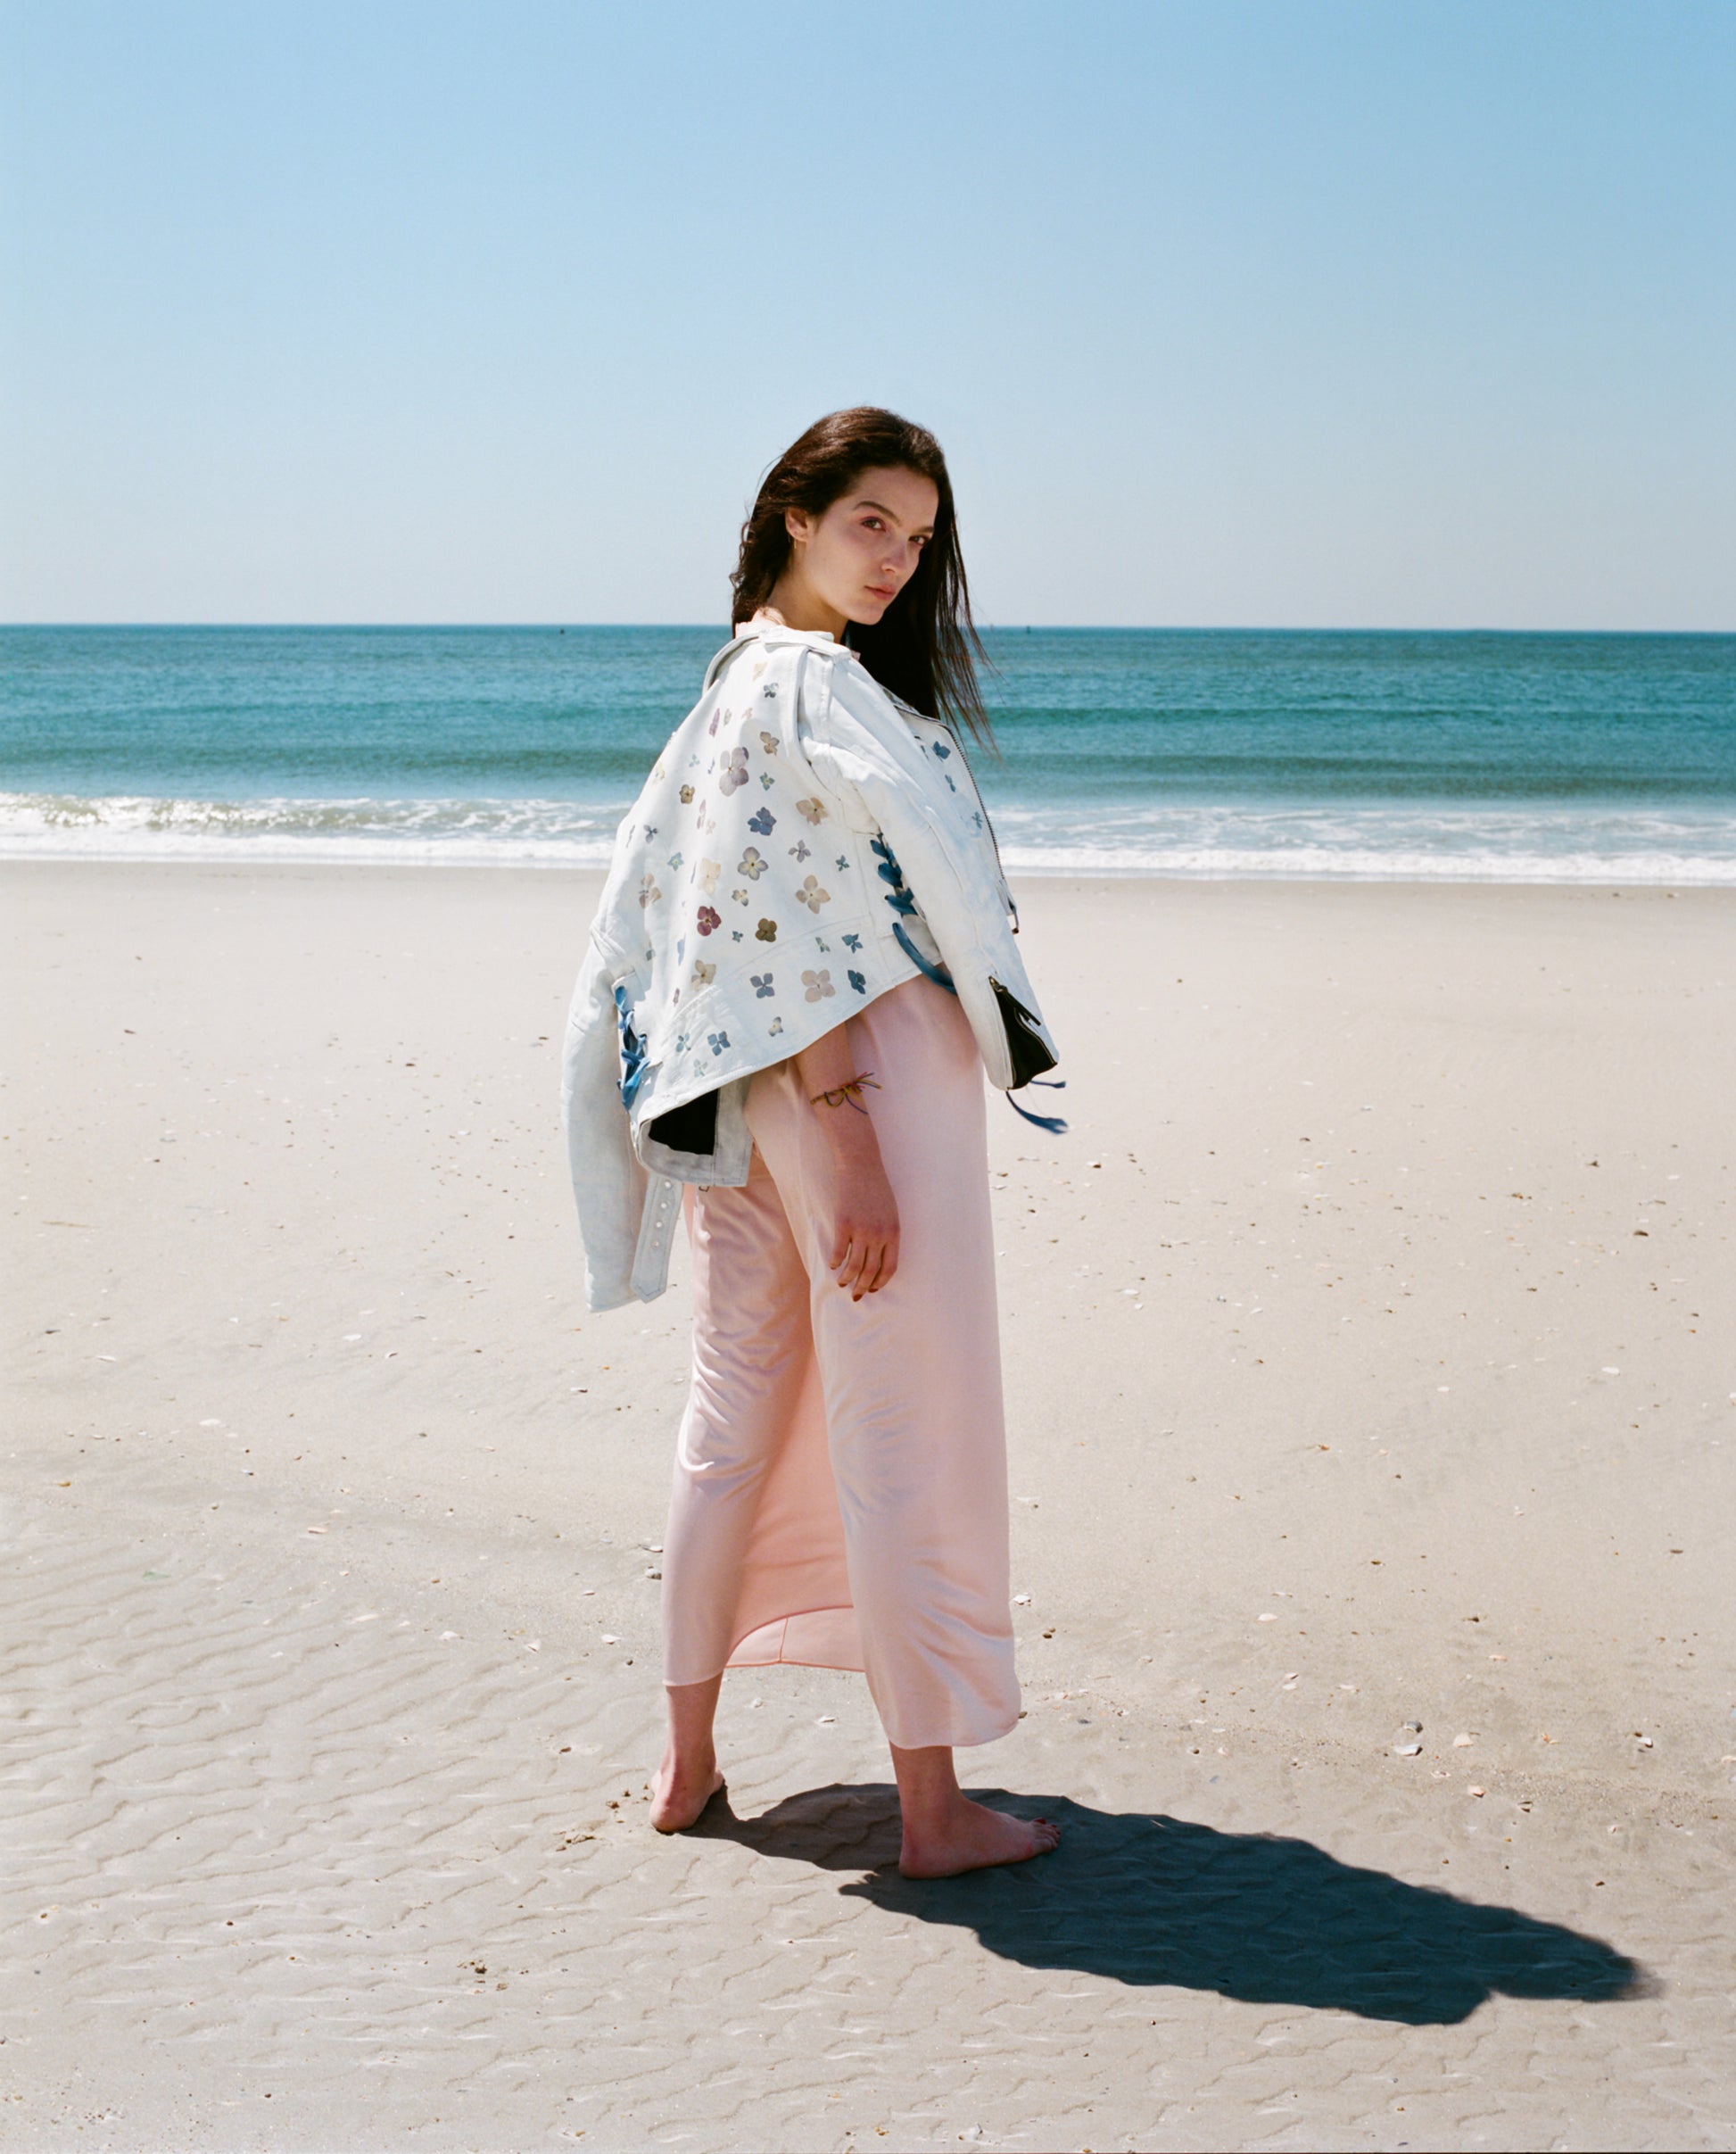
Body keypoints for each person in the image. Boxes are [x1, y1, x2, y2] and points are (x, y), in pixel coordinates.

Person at [561, 408, 1064, 1876]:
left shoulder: (734, 684)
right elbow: (787, 920)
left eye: (917, 538)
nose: (898, 560)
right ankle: (930, 1809)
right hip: (858, 1085)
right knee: (907, 1420)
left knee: (733, 1418)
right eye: (870, 524)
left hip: (746, 1086)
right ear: (794, 513)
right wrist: (845, 1128)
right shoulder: (804, 688)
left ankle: (688, 1760)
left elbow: (714, 920)